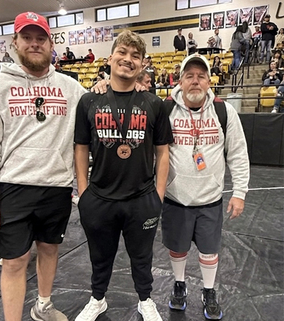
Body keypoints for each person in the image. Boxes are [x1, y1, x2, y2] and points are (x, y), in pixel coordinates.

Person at [0, 11, 87, 321]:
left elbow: (100, 113)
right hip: (13, 187)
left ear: (51, 44)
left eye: (41, 39)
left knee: (50, 250)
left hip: (57, 187)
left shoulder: (71, 88)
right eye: (27, 38)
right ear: (15, 42)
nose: (34, 44)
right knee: (13, 261)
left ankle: (43, 306)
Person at [73, 30, 173, 321]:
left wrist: (158, 195)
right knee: (99, 257)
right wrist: (83, 193)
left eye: (135, 56)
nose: (128, 60)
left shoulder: (154, 104)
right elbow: (80, 148)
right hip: (99, 198)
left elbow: (163, 152)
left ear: (142, 65)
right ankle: (97, 299)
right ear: (110, 57)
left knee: (142, 258)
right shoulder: (89, 101)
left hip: (141, 199)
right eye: (123, 52)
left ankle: (146, 300)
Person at [162, 54, 250, 321]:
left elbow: (237, 153)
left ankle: (208, 290)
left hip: (210, 199)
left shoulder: (225, 111)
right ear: (180, 81)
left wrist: (239, 192)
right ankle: (179, 284)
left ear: (210, 81)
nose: (195, 81)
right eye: (189, 76)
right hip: (176, 198)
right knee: (177, 248)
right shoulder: (166, 110)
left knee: (209, 250)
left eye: (201, 76)